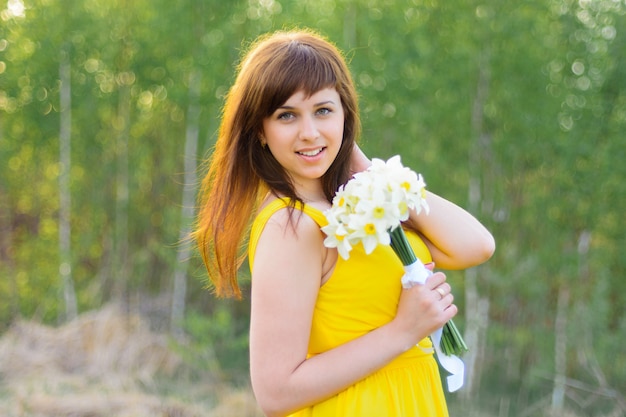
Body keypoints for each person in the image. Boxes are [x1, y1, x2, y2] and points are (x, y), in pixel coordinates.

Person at [194, 29, 495, 417]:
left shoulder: (358, 209)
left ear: (345, 115)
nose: (309, 132)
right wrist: (402, 332)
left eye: (323, 110)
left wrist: (372, 175)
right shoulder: (293, 225)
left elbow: (476, 244)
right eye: (287, 115)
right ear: (260, 132)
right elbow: (275, 391)